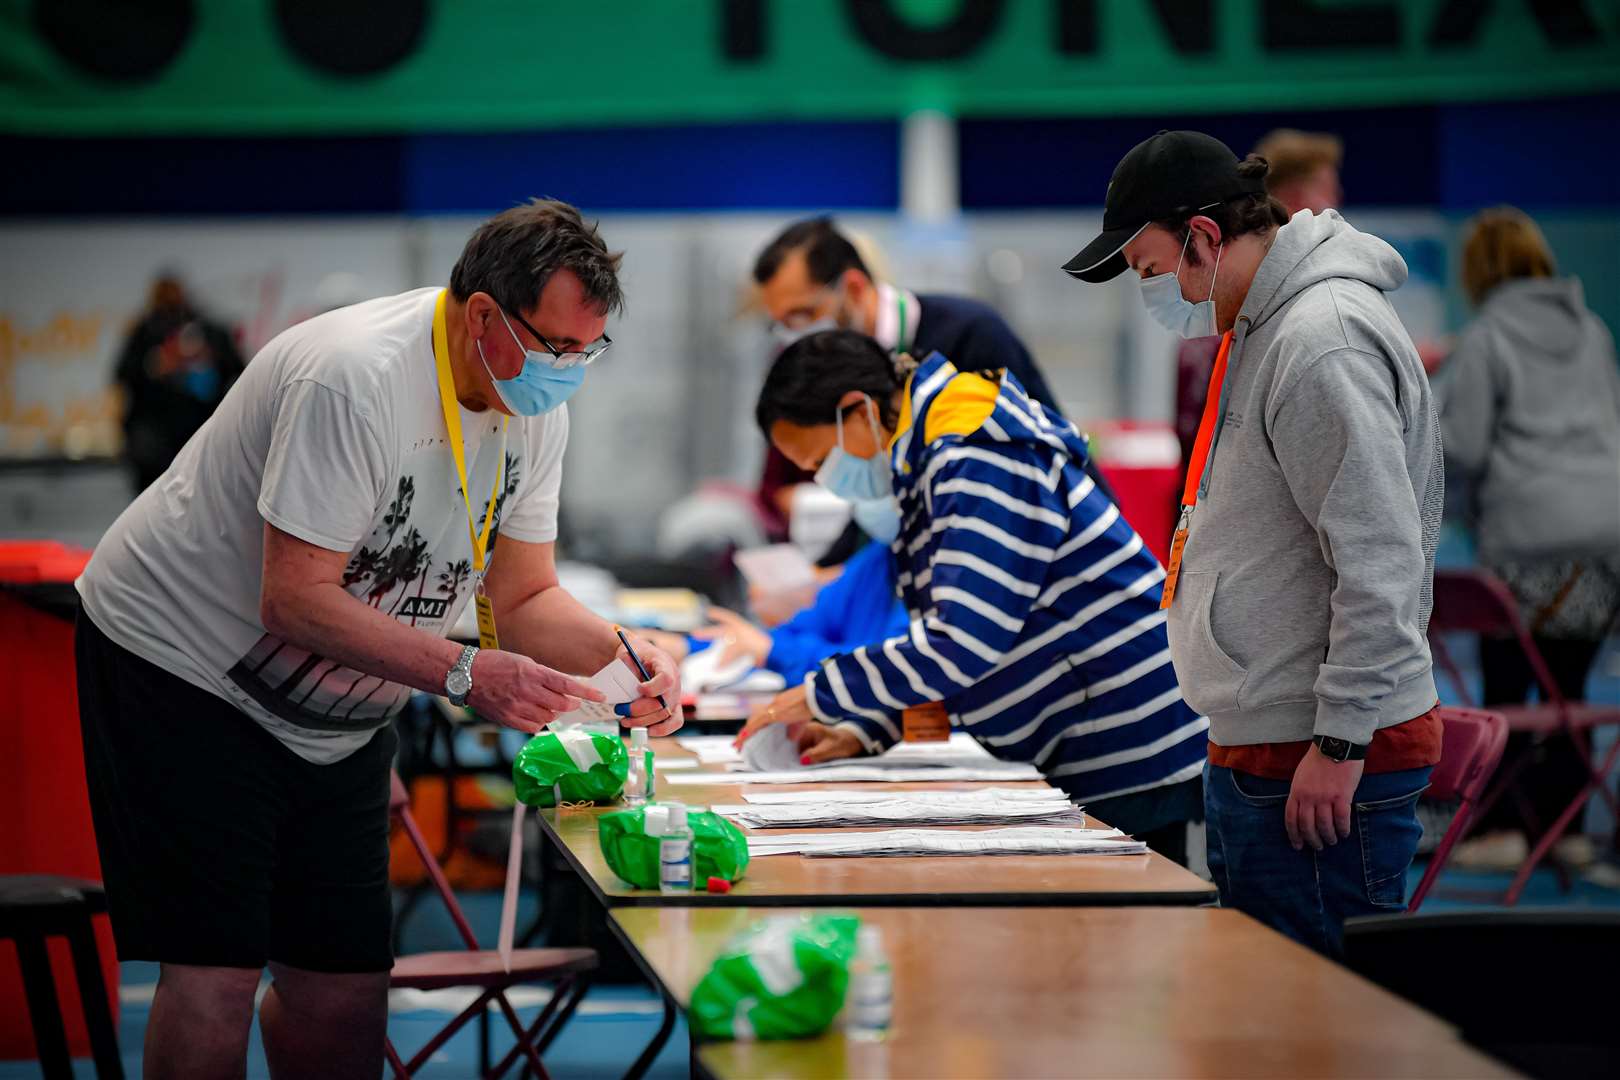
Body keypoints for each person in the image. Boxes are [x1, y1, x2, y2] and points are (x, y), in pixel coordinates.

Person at [74, 199, 683, 1079]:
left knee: (345, 985)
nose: (571, 372)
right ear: (483, 316)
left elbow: (525, 596)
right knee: (217, 971)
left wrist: (624, 650)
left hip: (341, 700)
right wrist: (467, 672)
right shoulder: (353, 376)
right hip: (183, 660)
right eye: (557, 349)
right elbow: (294, 599)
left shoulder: (531, 402)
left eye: (591, 351)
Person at [1064, 130, 1443, 955]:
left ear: (1204, 237)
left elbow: (1380, 561)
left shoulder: (1319, 341)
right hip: (1266, 741)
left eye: (1153, 271)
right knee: (1270, 1012)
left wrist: (1340, 742)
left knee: (1319, 1028)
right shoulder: (1265, 329)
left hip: (1321, 753)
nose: (1154, 294)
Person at [738, 330, 1208, 862]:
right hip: (1087, 739)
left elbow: (962, 641)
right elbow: (977, 625)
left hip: (1123, 745)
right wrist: (870, 728)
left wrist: (818, 692)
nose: (827, 480)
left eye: (822, 459)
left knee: (1121, 932)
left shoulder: (975, 450)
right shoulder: (931, 461)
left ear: (857, 408)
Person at [1438, 206, 1620, 861]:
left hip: (1525, 542)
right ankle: (1566, 831)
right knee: (1569, 689)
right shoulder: (1594, 330)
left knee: (1507, 689)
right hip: (1603, 545)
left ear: (1479, 269)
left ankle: (1502, 828)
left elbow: (1460, 446)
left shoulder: (1487, 338)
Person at [751, 217, 1080, 570]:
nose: (795, 335)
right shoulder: (830, 377)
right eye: (782, 324)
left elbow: (1049, 454)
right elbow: (876, 499)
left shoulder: (967, 335)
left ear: (855, 288)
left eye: (803, 315)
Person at [1172, 130, 1344, 532]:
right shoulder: (1244, 318)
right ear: (1298, 200)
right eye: (1328, 191)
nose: (1336, 207)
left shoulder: (1233, 305)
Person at [651, 537, 910, 684]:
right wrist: (686, 648)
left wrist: (771, 651)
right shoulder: (880, 556)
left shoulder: (932, 569)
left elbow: (891, 668)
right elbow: (789, 633)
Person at [114, 272, 245, 493]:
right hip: (156, 440)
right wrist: (154, 367)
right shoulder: (145, 333)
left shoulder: (208, 331)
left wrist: (205, 361)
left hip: (199, 434)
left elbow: (238, 371)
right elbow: (123, 374)